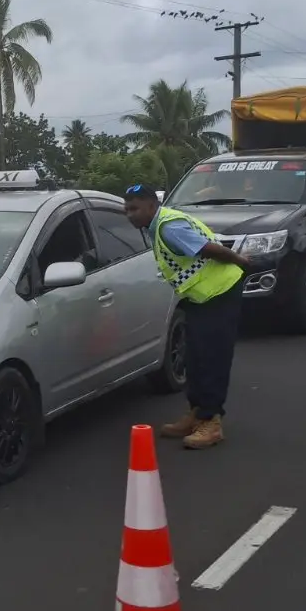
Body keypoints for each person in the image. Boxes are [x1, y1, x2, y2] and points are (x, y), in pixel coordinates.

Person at [123, 184, 250, 450]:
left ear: (150, 205)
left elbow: (209, 249)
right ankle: (196, 412)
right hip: (201, 297)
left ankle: (211, 421)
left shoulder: (169, 227)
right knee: (193, 357)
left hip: (220, 292)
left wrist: (240, 260)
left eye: (134, 208)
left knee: (212, 358)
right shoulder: (158, 226)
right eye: (126, 209)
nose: (129, 214)